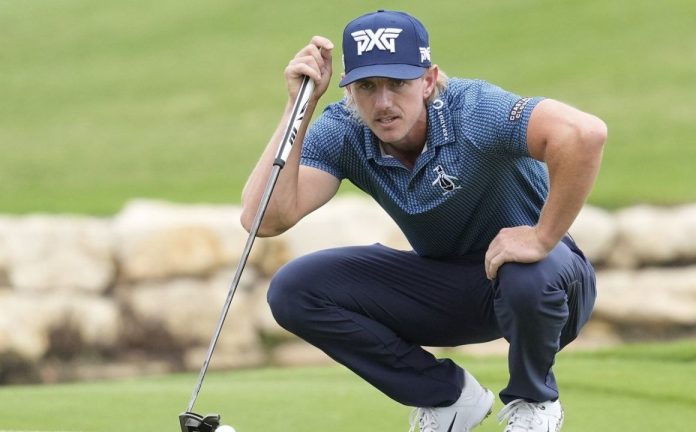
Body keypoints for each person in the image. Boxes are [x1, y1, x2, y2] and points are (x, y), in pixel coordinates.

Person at [241, 10, 606, 432]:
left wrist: (542, 237)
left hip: (550, 287)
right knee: (295, 289)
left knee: (526, 271)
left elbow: (584, 134)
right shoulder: (345, 131)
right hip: (452, 289)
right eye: (367, 87)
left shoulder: (476, 111)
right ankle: (447, 398)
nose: (383, 103)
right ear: (350, 92)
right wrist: (297, 107)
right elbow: (264, 219)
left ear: (429, 80)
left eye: (398, 83)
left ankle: (534, 402)